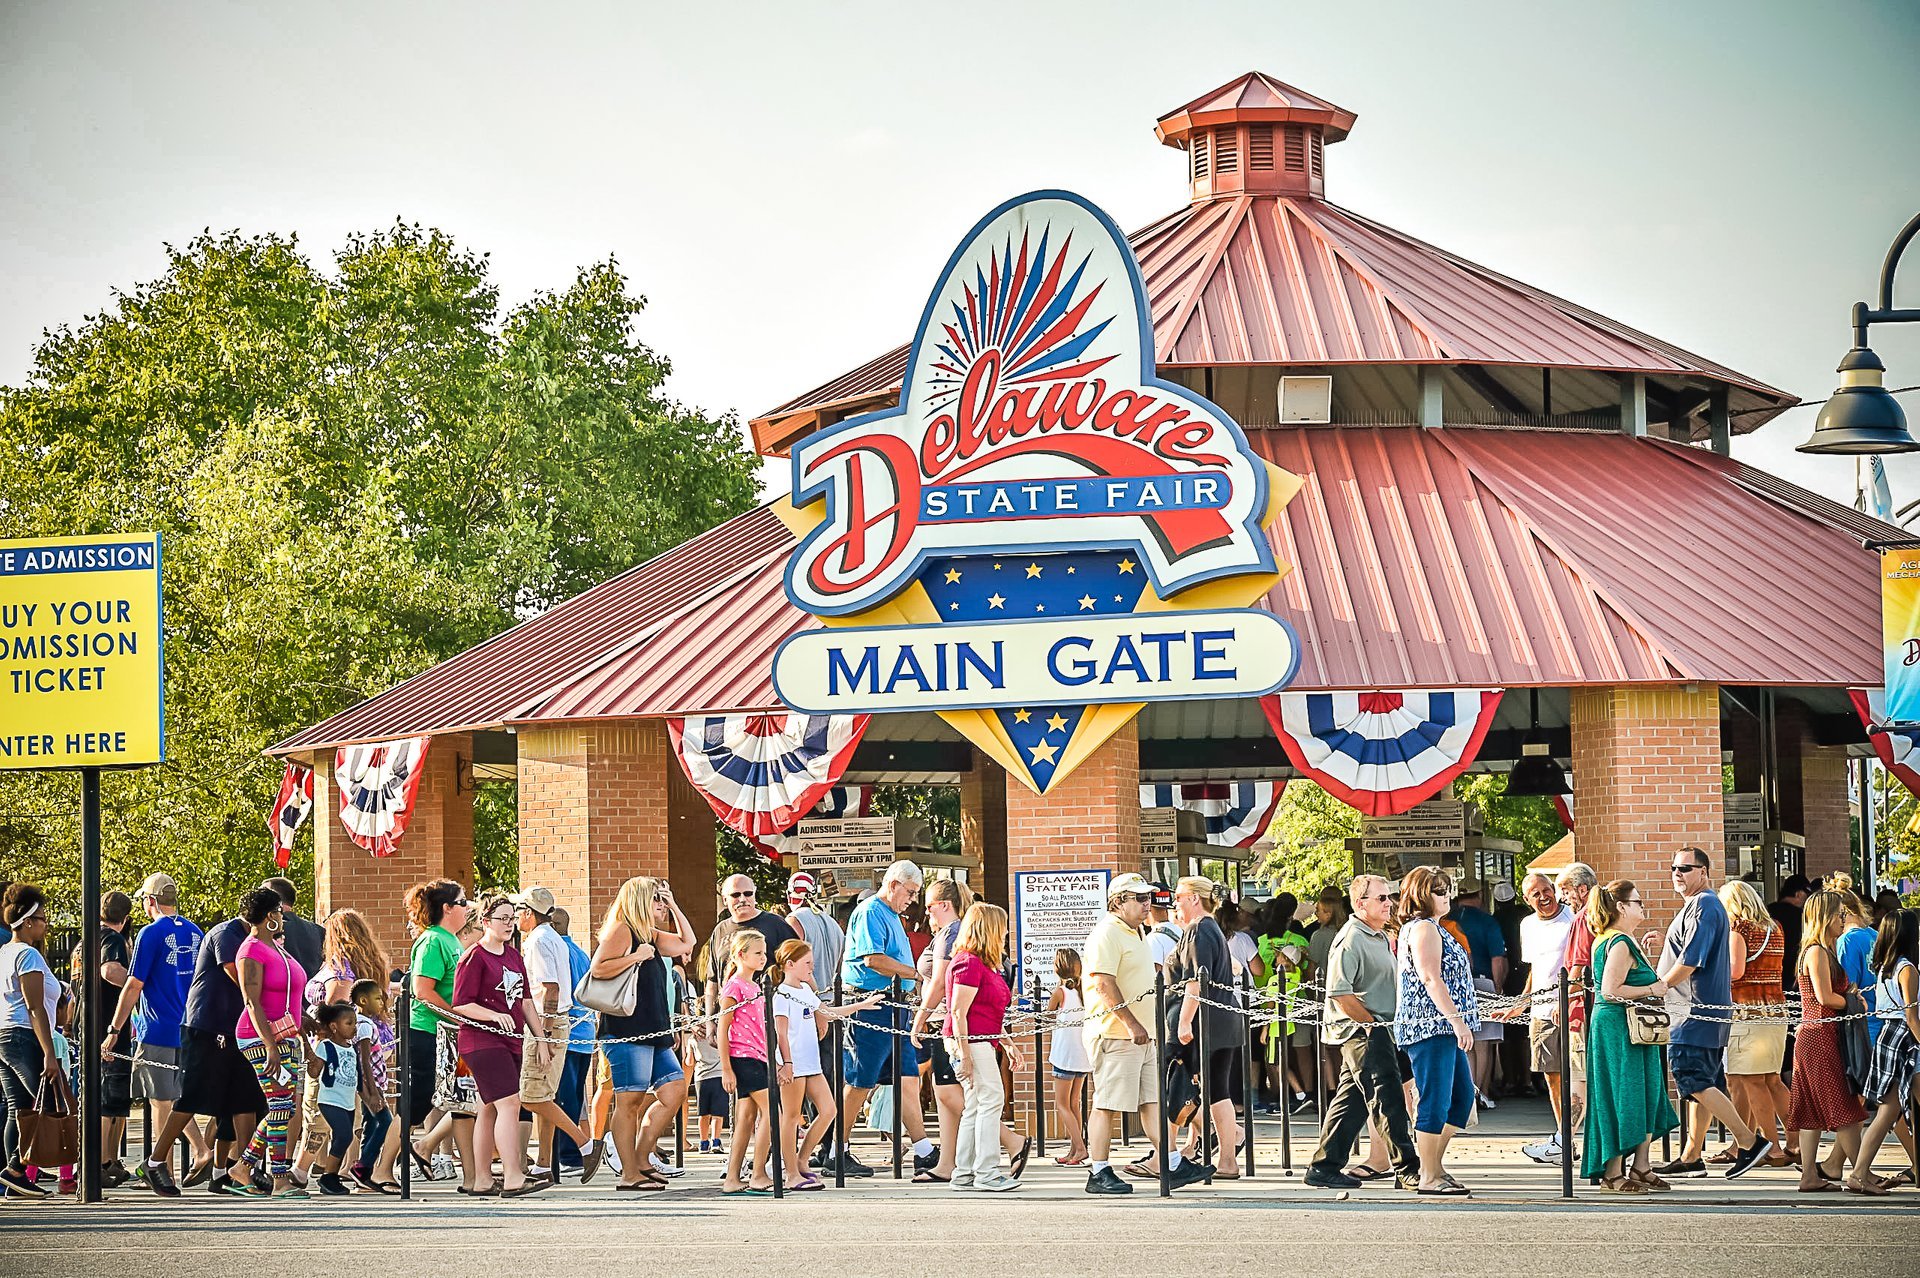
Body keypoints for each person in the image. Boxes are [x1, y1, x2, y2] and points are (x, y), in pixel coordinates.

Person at [1648, 847, 1772, 1180]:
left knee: (1695, 1080)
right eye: (1674, 867)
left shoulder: (1704, 904)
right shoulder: (1699, 906)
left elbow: (1691, 960)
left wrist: (1659, 987)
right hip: (1702, 1012)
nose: (1677, 873)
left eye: (1685, 868)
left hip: (1694, 1012)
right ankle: (1691, 1156)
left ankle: (1748, 1141)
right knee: (1699, 1086)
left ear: (1704, 872)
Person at [1082, 874, 1200, 1194]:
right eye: (1139, 898)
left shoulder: (1136, 932)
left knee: (1152, 1101)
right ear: (1119, 901)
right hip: (1116, 1034)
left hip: (1144, 1035)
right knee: (1106, 1104)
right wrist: (1132, 1024)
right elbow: (1103, 983)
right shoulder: (1107, 933)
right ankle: (1099, 1170)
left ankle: (1171, 1162)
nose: (1147, 904)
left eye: (1149, 897)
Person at [1306, 874, 1419, 1191]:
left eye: (1389, 897)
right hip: (1364, 1030)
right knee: (1388, 1098)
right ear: (1360, 903)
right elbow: (1340, 994)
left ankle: (1324, 1166)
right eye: (1381, 898)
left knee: (1351, 1101)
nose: (1389, 903)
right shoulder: (1351, 938)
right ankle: (1408, 1167)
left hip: (1378, 1027)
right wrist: (1372, 1026)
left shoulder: (1378, 935)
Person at [835, 860, 936, 1178]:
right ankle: (838, 1149)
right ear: (893, 884)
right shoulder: (870, 911)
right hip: (871, 1004)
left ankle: (923, 1150)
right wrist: (916, 974)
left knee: (908, 1078)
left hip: (896, 1007)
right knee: (859, 1081)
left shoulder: (891, 915)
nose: (912, 899)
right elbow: (874, 959)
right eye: (910, 891)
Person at [591, 876, 691, 1192]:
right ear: (639, 901)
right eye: (657, 899)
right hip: (625, 1029)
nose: (661, 905)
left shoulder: (650, 934)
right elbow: (598, 969)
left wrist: (674, 903)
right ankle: (629, 1173)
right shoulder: (622, 930)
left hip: (655, 1028)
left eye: (662, 900)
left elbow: (687, 943)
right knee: (629, 1100)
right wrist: (636, 956)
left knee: (675, 1089)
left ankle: (641, 1158)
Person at [106, 873, 209, 1181]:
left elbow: (134, 983)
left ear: (150, 901)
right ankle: (196, 1152)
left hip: (158, 1028)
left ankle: (164, 1166)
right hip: (189, 1026)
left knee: (160, 1100)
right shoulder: (195, 931)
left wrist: (114, 1028)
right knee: (177, 1096)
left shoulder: (150, 934)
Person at [1581, 881, 1678, 1193]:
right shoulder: (1619, 942)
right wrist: (1653, 988)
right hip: (1620, 1030)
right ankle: (1613, 1172)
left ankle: (1640, 1166)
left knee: (1645, 1093)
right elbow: (1610, 991)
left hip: (1635, 1029)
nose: (1642, 906)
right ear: (1621, 907)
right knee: (1624, 1095)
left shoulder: (1621, 940)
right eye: (1636, 901)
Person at [167, 902, 265, 1197]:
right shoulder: (227, 934)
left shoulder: (259, 942)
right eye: (275, 914)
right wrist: (266, 1004)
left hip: (236, 1029)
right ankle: (157, 1159)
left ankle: (232, 1170)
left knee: (239, 1101)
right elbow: (239, 976)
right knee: (194, 1096)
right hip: (208, 1026)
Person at [1393, 866, 1479, 1195]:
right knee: (1435, 1100)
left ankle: (1434, 1165)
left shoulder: (1433, 928)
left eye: (1447, 890)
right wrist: (1457, 1021)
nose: (1447, 896)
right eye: (1439, 891)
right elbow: (1431, 977)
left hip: (1444, 1026)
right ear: (1421, 895)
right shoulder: (1424, 929)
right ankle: (1427, 1174)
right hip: (1431, 1026)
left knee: (1460, 1099)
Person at [450, 895, 542, 1196]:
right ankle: (513, 1175)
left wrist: (539, 1039)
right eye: (503, 918)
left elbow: (526, 1000)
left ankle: (482, 1179)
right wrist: (493, 1015)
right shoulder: (474, 956)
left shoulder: (514, 956)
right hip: (482, 1041)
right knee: (510, 1104)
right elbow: (461, 1004)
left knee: (488, 1108)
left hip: (512, 1040)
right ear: (485, 922)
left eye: (512, 918)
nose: (509, 924)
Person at [294, 908, 389, 1182]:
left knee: (320, 1107)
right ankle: (346, 1166)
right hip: (366, 1042)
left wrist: (318, 1032)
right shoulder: (369, 963)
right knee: (351, 1110)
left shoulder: (339, 966)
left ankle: (301, 1170)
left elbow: (337, 1005)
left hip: (334, 1046)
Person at [772, 938, 875, 1189]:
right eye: (807, 963)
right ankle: (791, 1172)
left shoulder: (805, 990)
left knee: (829, 1109)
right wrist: (786, 1063)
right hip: (793, 1062)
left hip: (811, 1062)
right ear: (790, 964)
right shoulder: (781, 995)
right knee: (791, 1117)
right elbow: (781, 1033)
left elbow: (827, 1012)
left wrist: (861, 1005)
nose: (811, 968)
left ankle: (802, 1160)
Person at [1786, 890, 1870, 1194]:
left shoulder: (1820, 949)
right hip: (1820, 1037)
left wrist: (1849, 998)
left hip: (1816, 1036)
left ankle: (1809, 1175)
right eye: (1839, 915)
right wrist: (1852, 1000)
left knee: (1810, 1110)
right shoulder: (1818, 951)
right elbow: (1824, 998)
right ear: (1825, 918)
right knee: (1845, 1108)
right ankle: (1862, 1174)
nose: (1843, 920)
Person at [230, 885, 309, 1198]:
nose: (282, 915)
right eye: (277, 911)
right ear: (265, 917)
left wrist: (307, 1037)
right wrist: (271, 1047)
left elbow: (291, 998)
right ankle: (279, 1179)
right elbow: (252, 1001)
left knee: (283, 1107)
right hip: (258, 1036)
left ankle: (243, 1166)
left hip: (284, 1034)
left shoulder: (277, 947)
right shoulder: (250, 951)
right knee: (280, 1105)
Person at [1169, 875, 1243, 1177]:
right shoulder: (1210, 928)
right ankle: (1227, 1158)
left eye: (1178, 897)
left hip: (1208, 1022)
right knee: (1218, 1092)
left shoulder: (1200, 929)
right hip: (1222, 1022)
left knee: (1181, 1086)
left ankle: (1181, 1154)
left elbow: (1196, 980)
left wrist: (1184, 1021)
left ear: (1194, 899)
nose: (1175, 903)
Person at [947, 903, 1023, 1191]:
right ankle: (987, 1173)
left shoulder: (978, 962)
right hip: (973, 1042)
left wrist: (1007, 1042)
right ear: (990, 929)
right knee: (991, 1101)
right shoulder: (970, 963)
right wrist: (965, 1054)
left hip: (979, 1039)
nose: (1005, 932)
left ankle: (965, 1173)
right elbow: (958, 1012)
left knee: (976, 1106)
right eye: (1002, 926)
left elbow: (984, 1012)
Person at [401, 880, 472, 1185]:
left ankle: (472, 1176)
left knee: (464, 1101)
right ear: (447, 908)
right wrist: (460, 1016)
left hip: (451, 1035)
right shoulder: (432, 940)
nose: (468, 907)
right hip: (427, 1032)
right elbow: (423, 991)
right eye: (463, 901)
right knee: (416, 1104)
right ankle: (377, 1166)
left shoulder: (452, 940)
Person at [511, 886, 582, 1182]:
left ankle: (585, 1143)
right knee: (544, 1095)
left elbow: (549, 989)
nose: (516, 917)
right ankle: (544, 1162)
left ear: (529, 912)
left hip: (544, 1022)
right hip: (555, 1021)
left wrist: (544, 1035)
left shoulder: (537, 941)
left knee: (530, 1097)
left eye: (518, 911)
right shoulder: (554, 937)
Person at [1719, 880, 1793, 1168]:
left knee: (1752, 1081)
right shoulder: (1774, 927)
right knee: (1772, 1080)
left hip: (1747, 1012)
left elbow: (1736, 971)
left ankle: (1771, 1148)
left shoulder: (1739, 929)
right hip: (1774, 1010)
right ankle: (1795, 1141)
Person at [1510, 870, 1575, 1165]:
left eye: (1546, 890)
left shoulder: (1572, 917)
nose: (1543, 897)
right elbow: (1536, 968)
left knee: (1580, 1075)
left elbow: (1580, 963)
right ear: (1526, 899)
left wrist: (1570, 999)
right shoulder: (1527, 925)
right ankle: (1565, 1139)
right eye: (1535, 893)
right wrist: (1523, 1001)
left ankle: (1575, 1137)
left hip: (1572, 1009)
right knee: (1552, 1075)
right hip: (1542, 1010)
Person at [0, 883, 59, 1199]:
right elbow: (34, 1006)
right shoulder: (28, 955)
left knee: (18, 1108)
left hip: (5, 1036)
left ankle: (15, 1177)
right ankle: (17, 1169)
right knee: (48, 1104)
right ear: (27, 922)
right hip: (24, 1035)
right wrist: (49, 1051)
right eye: (42, 918)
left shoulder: (5, 952)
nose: (46, 924)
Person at [1857, 908, 1920, 1192]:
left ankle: (1859, 1172)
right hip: (1906, 1039)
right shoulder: (1907, 969)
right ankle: (1858, 1173)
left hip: (1887, 1035)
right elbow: (1912, 1016)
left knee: (1887, 1110)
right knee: (1889, 1110)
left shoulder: (1885, 967)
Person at [719, 929, 774, 1194]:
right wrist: (726, 1068)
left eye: (764, 953)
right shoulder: (735, 986)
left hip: (758, 1056)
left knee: (746, 1117)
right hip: (743, 1057)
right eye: (758, 953)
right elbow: (722, 1028)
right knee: (774, 1112)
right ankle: (759, 1171)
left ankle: (732, 1177)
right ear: (741, 955)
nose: (763, 958)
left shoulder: (755, 986)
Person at [549, 906, 598, 1176]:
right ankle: (571, 1151)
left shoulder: (558, 952)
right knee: (575, 1094)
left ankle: (568, 1154)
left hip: (567, 1033)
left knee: (564, 1096)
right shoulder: (581, 953)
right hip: (585, 1034)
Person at [705, 875, 796, 1018]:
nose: (742, 899)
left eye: (748, 893)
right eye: (735, 895)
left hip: (771, 1016)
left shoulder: (776, 924)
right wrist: (709, 1019)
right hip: (731, 1017)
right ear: (724, 899)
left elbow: (800, 964)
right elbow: (713, 980)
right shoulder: (720, 930)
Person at [93, 890, 135, 1187]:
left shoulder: (84, 941)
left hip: (89, 1023)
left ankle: (105, 1159)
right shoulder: (113, 939)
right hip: (110, 1025)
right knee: (113, 1096)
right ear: (126, 918)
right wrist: (139, 985)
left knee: (99, 1093)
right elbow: (110, 970)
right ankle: (105, 1160)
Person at [305, 1002, 369, 1196]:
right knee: (344, 1136)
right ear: (334, 1026)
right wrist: (309, 1051)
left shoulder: (351, 1048)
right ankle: (328, 1176)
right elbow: (314, 1072)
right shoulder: (326, 1046)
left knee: (343, 1137)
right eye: (349, 1023)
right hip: (330, 1100)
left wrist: (369, 1097)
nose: (354, 1027)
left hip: (347, 1101)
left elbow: (358, 1077)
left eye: (355, 1023)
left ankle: (331, 1176)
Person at [348, 978, 399, 1192]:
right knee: (386, 1122)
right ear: (362, 1000)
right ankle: (363, 1166)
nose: (382, 1003)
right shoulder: (365, 1025)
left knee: (371, 1124)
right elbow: (364, 1060)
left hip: (372, 1084)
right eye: (377, 998)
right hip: (372, 1085)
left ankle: (363, 1170)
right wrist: (372, 1092)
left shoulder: (362, 1022)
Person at [1047, 948, 1091, 1166]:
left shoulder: (1060, 992)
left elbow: (1047, 1016)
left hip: (1064, 1055)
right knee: (1075, 1103)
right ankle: (1075, 1149)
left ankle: (1080, 1148)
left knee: (1062, 1104)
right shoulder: (1084, 991)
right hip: (1081, 1055)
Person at [785, 873, 845, 993]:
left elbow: (791, 961)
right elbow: (841, 965)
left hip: (806, 997)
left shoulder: (794, 920)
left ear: (789, 894)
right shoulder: (832, 923)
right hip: (832, 996)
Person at [1769, 874, 1813, 993]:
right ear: (1798, 894)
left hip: (1770, 972)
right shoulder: (1803, 917)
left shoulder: (1767, 912)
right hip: (1793, 974)